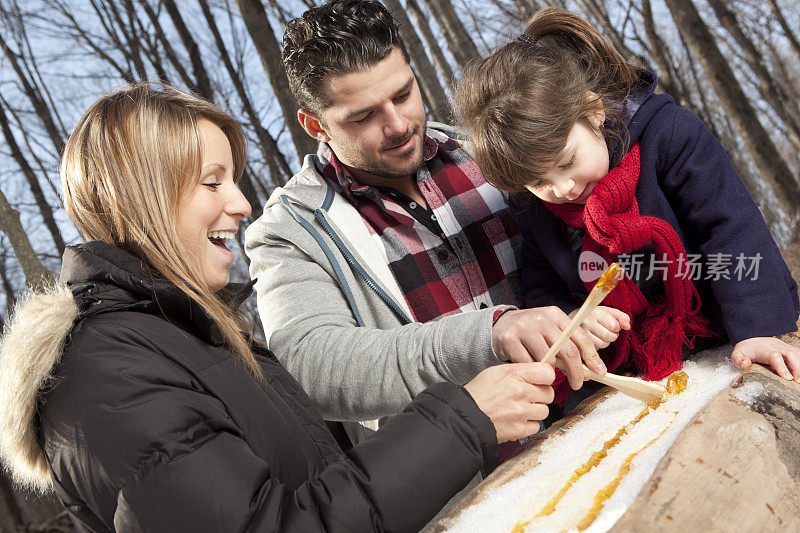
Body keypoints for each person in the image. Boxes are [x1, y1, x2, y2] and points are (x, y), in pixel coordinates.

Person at [0, 83, 560, 532]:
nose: (241, 204)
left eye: (234, 181)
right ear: (142, 198)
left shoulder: (189, 337)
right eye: (211, 183)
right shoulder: (106, 374)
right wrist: (462, 421)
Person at [244, 0, 623, 446]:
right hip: (469, 490)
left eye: (403, 93)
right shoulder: (290, 231)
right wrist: (490, 333)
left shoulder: (489, 152)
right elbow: (312, 366)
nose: (398, 124)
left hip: (596, 423)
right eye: (364, 116)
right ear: (316, 124)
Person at [452, 7, 800, 404]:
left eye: (567, 162)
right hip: (632, 368)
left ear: (594, 111)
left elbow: (732, 230)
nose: (563, 189)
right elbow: (542, 286)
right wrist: (577, 319)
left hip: (721, 325)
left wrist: (758, 329)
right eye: (538, 181)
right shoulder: (532, 208)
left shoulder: (669, 135)